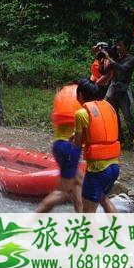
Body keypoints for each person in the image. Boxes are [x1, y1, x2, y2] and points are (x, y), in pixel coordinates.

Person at [73, 79, 121, 213]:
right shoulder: (108, 107)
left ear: (81, 94)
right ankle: (118, 233)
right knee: (103, 199)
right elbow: (99, 133)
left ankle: (89, 234)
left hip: (97, 170)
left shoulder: (81, 114)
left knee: (87, 213)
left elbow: (77, 145)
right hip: (114, 167)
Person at [36, 84, 83, 213]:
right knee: (64, 192)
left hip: (58, 145)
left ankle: (83, 219)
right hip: (70, 148)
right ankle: (32, 218)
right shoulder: (82, 107)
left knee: (78, 181)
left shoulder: (62, 101)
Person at [100, 39, 134, 142]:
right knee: (114, 114)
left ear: (126, 47)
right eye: (117, 45)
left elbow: (123, 69)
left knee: (128, 117)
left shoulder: (131, 59)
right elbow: (103, 71)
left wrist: (109, 58)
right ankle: (118, 138)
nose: (117, 47)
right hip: (114, 89)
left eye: (120, 45)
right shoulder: (115, 58)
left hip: (124, 90)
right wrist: (101, 60)